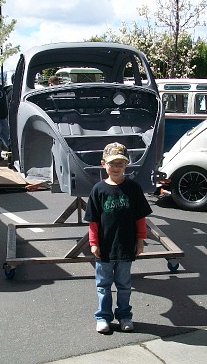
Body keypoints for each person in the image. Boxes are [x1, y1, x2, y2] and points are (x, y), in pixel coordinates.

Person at [84, 142, 152, 333]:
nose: (116, 168)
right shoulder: (98, 190)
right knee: (103, 285)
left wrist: (140, 241)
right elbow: (93, 221)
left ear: (126, 164)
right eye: (112, 163)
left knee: (124, 285)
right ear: (103, 163)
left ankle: (124, 315)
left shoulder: (133, 188)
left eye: (120, 164)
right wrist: (93, 243)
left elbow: (140, 218)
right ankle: (103, 317)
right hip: (104, 248)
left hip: (125, 247)